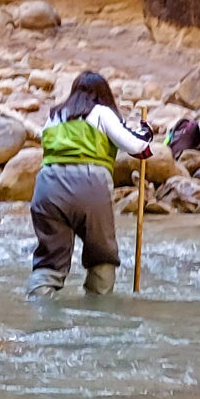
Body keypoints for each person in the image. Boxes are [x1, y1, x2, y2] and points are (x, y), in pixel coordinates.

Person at [27, 71, 151, 297]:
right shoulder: (102, 112)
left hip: (47, 185)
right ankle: (98, 312)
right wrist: (145, 134)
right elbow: (136, 147)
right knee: (101, 253)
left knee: (50, 257)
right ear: (104, 94)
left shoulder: (55, 115)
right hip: (89, 186)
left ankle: (39, 304)